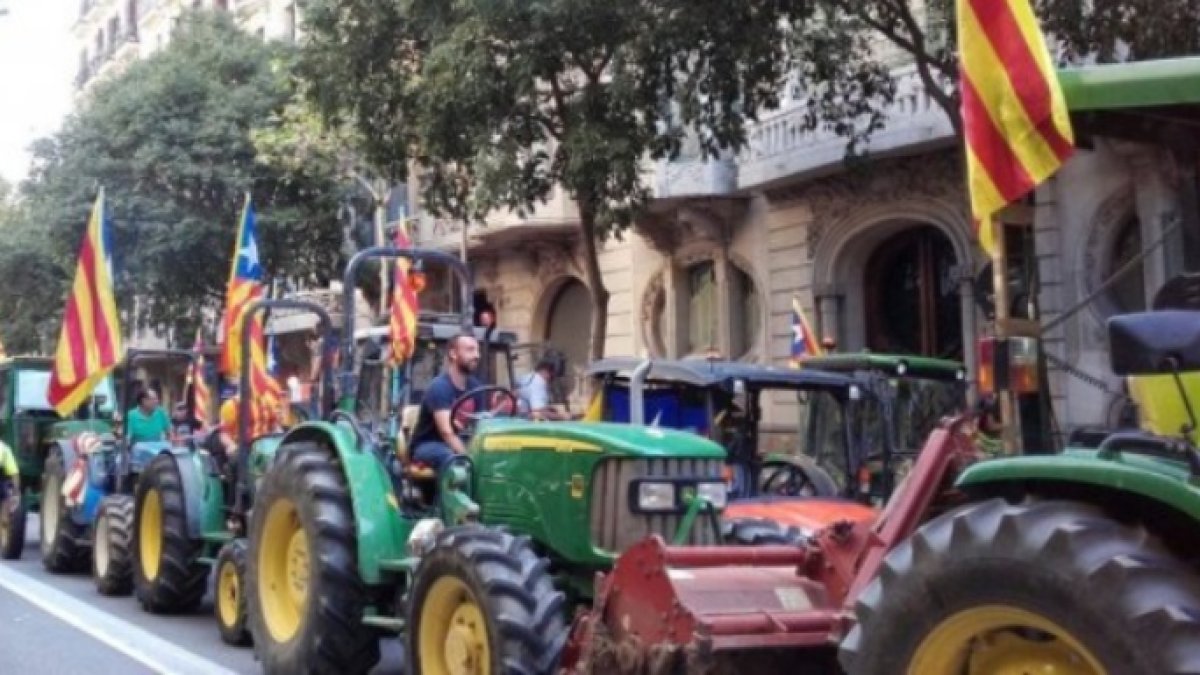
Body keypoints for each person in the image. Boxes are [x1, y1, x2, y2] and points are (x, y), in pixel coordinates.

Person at [409, 333, 483, 471]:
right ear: (453, 354)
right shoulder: (439, 387)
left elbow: (483, 422)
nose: (477, 355)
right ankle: (447, 492)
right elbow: (446, 432)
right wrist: (468, 457)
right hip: (429, 444)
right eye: (470, 350)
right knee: (450, 457)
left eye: (477, 350)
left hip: (461, 440)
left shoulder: (476, 387)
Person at [517, 354, 568, 421]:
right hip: (524, 421)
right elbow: (539, 412)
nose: (555, 379)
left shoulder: (529, 376)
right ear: (550, 371)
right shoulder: (539, 383)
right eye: (555, 375)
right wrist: (563, 417)